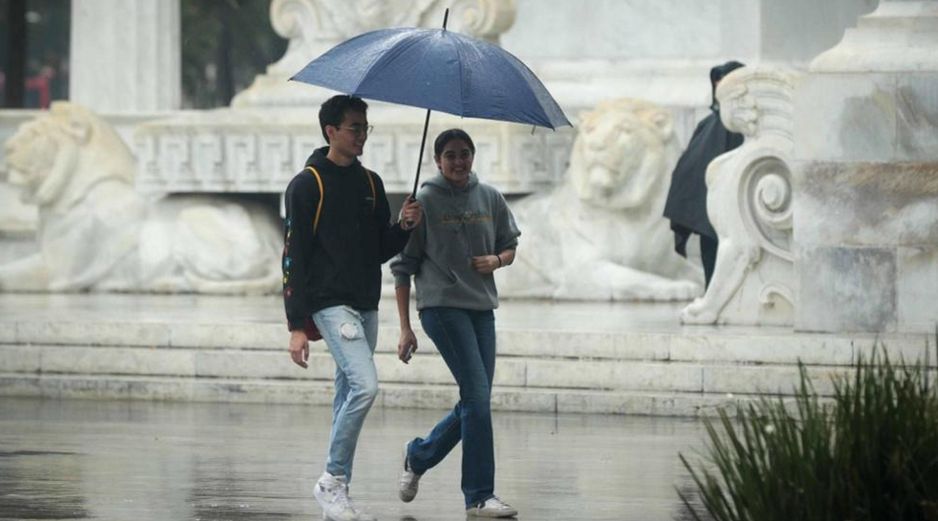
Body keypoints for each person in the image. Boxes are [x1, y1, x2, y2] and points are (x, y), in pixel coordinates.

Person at [282, 94, 422, 521]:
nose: (362, 135)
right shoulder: (307, 184)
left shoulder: (370, 184)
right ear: (331, 131)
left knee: (347, 393)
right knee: (365, 386)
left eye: (365, 127)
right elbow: (294, 257)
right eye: (354, 128)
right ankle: (333, 480)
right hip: (329, 303)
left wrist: (403, 228)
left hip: (365, 303)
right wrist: (296, 325)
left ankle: (334, 498)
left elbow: (379, 248)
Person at [390, 129, 521, 518]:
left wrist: (496, 261)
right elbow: (402, 269)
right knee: (478, 398)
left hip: (481, 307)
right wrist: (404, 327)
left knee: (474, 401)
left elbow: (510, 244)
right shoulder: (423, 201)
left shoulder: (490, 197)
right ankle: (479, 496)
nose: (459, 161)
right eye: (450, 155)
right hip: (441, 307)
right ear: (437, 161)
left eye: (465, 154)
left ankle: (418, 455)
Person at [663, 60, 746, 288]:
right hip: (707, 213)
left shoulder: (743, 125)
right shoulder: (707, 124)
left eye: (725, 81)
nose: (719, 86)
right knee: (713, 269)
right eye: (716, 82)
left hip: (735, 215)